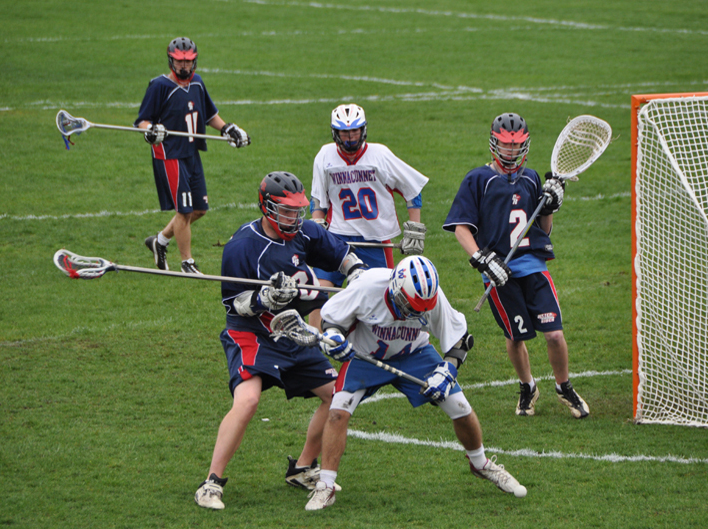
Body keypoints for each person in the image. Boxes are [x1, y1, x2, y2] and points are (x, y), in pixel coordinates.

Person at [194, 171, 367, 510]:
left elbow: (342, 254)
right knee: (247, 402)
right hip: (253, 334)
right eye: (285, 211)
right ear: (266, 207)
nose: (293, 217)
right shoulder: (243, 246)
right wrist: (265, 299)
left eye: (296, 210)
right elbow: (234, 304)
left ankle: (302, 468)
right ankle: (211, 483)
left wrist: (357, 273)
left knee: (336, 397)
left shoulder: (305, 233)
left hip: (294, 333)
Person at [304, 255, 527, 511]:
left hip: (415, 353)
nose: (415, 313)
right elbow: (331, 320)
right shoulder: (368, 286)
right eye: (410, 305)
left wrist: (447, 371)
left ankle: (481, 464)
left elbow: (460, 340)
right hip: (367, 355)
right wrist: (335, 338)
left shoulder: (431, 298)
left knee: (461, 408)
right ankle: (326, 485)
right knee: (337, 412)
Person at [443, 112, 589, 419]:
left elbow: (543, 230)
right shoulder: (478, 179)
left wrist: (550, 206)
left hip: (533, 266)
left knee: (554, 335)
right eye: (506, 146)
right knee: (516, 336)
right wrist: (483, 260)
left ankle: (564, 386)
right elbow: (461, 228)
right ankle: (527, 386)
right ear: (495, 144)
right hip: (499, 272)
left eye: (516, 146)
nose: (511, 152)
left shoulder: (533, 177)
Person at [136, 36, 250, 275]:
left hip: (191, 153)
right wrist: (151, 131)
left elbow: (209, 115)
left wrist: (229, 128)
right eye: (180, 62)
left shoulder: (197, 83)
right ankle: (187, 262)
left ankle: (160, 241)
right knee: (184, 210)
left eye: (188, 62)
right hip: (170, 155)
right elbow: (142, 121)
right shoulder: (159, 86)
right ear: (171, 61)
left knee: (199, 210)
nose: (184, 66)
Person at [309, 103, 429, 329]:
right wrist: (317, 228)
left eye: (354, 131)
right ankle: (313, 349)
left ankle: (378, 346)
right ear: (335, 132)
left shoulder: (379, 155)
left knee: (383, 300)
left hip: (375, 241)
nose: (350, 137)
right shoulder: (325, 155)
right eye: (345, 132)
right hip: (337, 238)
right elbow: (318, 201)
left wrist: (414, 228)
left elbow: (412, 190)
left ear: (363, 129)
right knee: (318, 292)